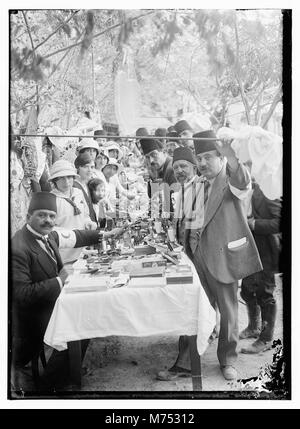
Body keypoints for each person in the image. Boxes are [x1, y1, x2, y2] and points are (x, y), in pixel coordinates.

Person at [157, 130, 263, 382]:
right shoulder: (193, 184)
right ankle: (184, 363)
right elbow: (186, 221)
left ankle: (228, 360)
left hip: (223, 256)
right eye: (199, 158)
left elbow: (242, 181)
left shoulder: (231, 179)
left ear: (221, 157)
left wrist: (232, 158)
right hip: (195, 258)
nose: (202, 163)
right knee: (191, 310)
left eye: (207, 158)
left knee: (228, 313)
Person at [11, 192, 124, 391]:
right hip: (31, 318)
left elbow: (76, 236)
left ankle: (68, 372)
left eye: (52, 216)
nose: (48, 221)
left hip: (51, 303)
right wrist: (59, 280)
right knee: (79, 320)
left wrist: (106, 235)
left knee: (88, 313)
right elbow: (21, 295)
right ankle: (49, 387)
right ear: (28, 217)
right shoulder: (18, 246)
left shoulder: (48, 235)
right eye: (42, 215)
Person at [239, 176, 281, 354]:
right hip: (248, 247)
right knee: (247, 289)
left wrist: (254, 224)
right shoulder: (240, 188)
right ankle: (253, 327)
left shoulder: (267, 188)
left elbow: (280, 221)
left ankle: (265, 339)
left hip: (265, 250)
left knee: (265, 292)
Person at [49, 159, 97, 263]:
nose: (66, 182)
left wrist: (88, 223)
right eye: (61, 178)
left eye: (69, 177)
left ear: (73, 178)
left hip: (81, 252)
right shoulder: (51, 200)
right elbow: (50, 231)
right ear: (54, 181)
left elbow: (85, 215)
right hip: (63, 256)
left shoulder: (78, 193)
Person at [139, 137, 179, 216]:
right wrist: (153, 178)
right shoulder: (160, 168)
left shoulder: (172, 170)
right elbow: (152, 197)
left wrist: (155, 181)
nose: (151, 161)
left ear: (164, 152)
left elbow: (169, 207)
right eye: (147, 157)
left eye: (154, 155)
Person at [73, 152, 97, 224]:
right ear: (77, 168)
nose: (90, 170)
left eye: (92, 167)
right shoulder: (74, 186)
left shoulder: (86, 184)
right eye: (86, 167)